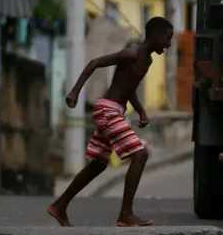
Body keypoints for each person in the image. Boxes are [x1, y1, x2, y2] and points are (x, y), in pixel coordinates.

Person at [48, 16, 174, 227]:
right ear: (155, 35)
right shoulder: (132, 53)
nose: (169, 45)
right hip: (107, 109)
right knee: (140, 155)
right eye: (167, 39)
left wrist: (141, 111)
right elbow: (95, 63)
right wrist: (75, 92)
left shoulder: (148, 60)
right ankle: (126, 214)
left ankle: (59, 206)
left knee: (98, 165)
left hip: (115, 111)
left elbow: (129, 87)